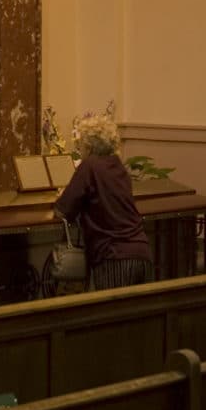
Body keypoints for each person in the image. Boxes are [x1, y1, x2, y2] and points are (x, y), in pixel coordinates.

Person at [54, 111, 154, 289]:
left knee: (113, 314)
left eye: (81, 145)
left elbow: (64, 209)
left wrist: (62, 196)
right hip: (141, 252)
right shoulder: (118, 166)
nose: (80, 149)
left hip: (113, 256)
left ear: (89, 146)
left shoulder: (89, 166)